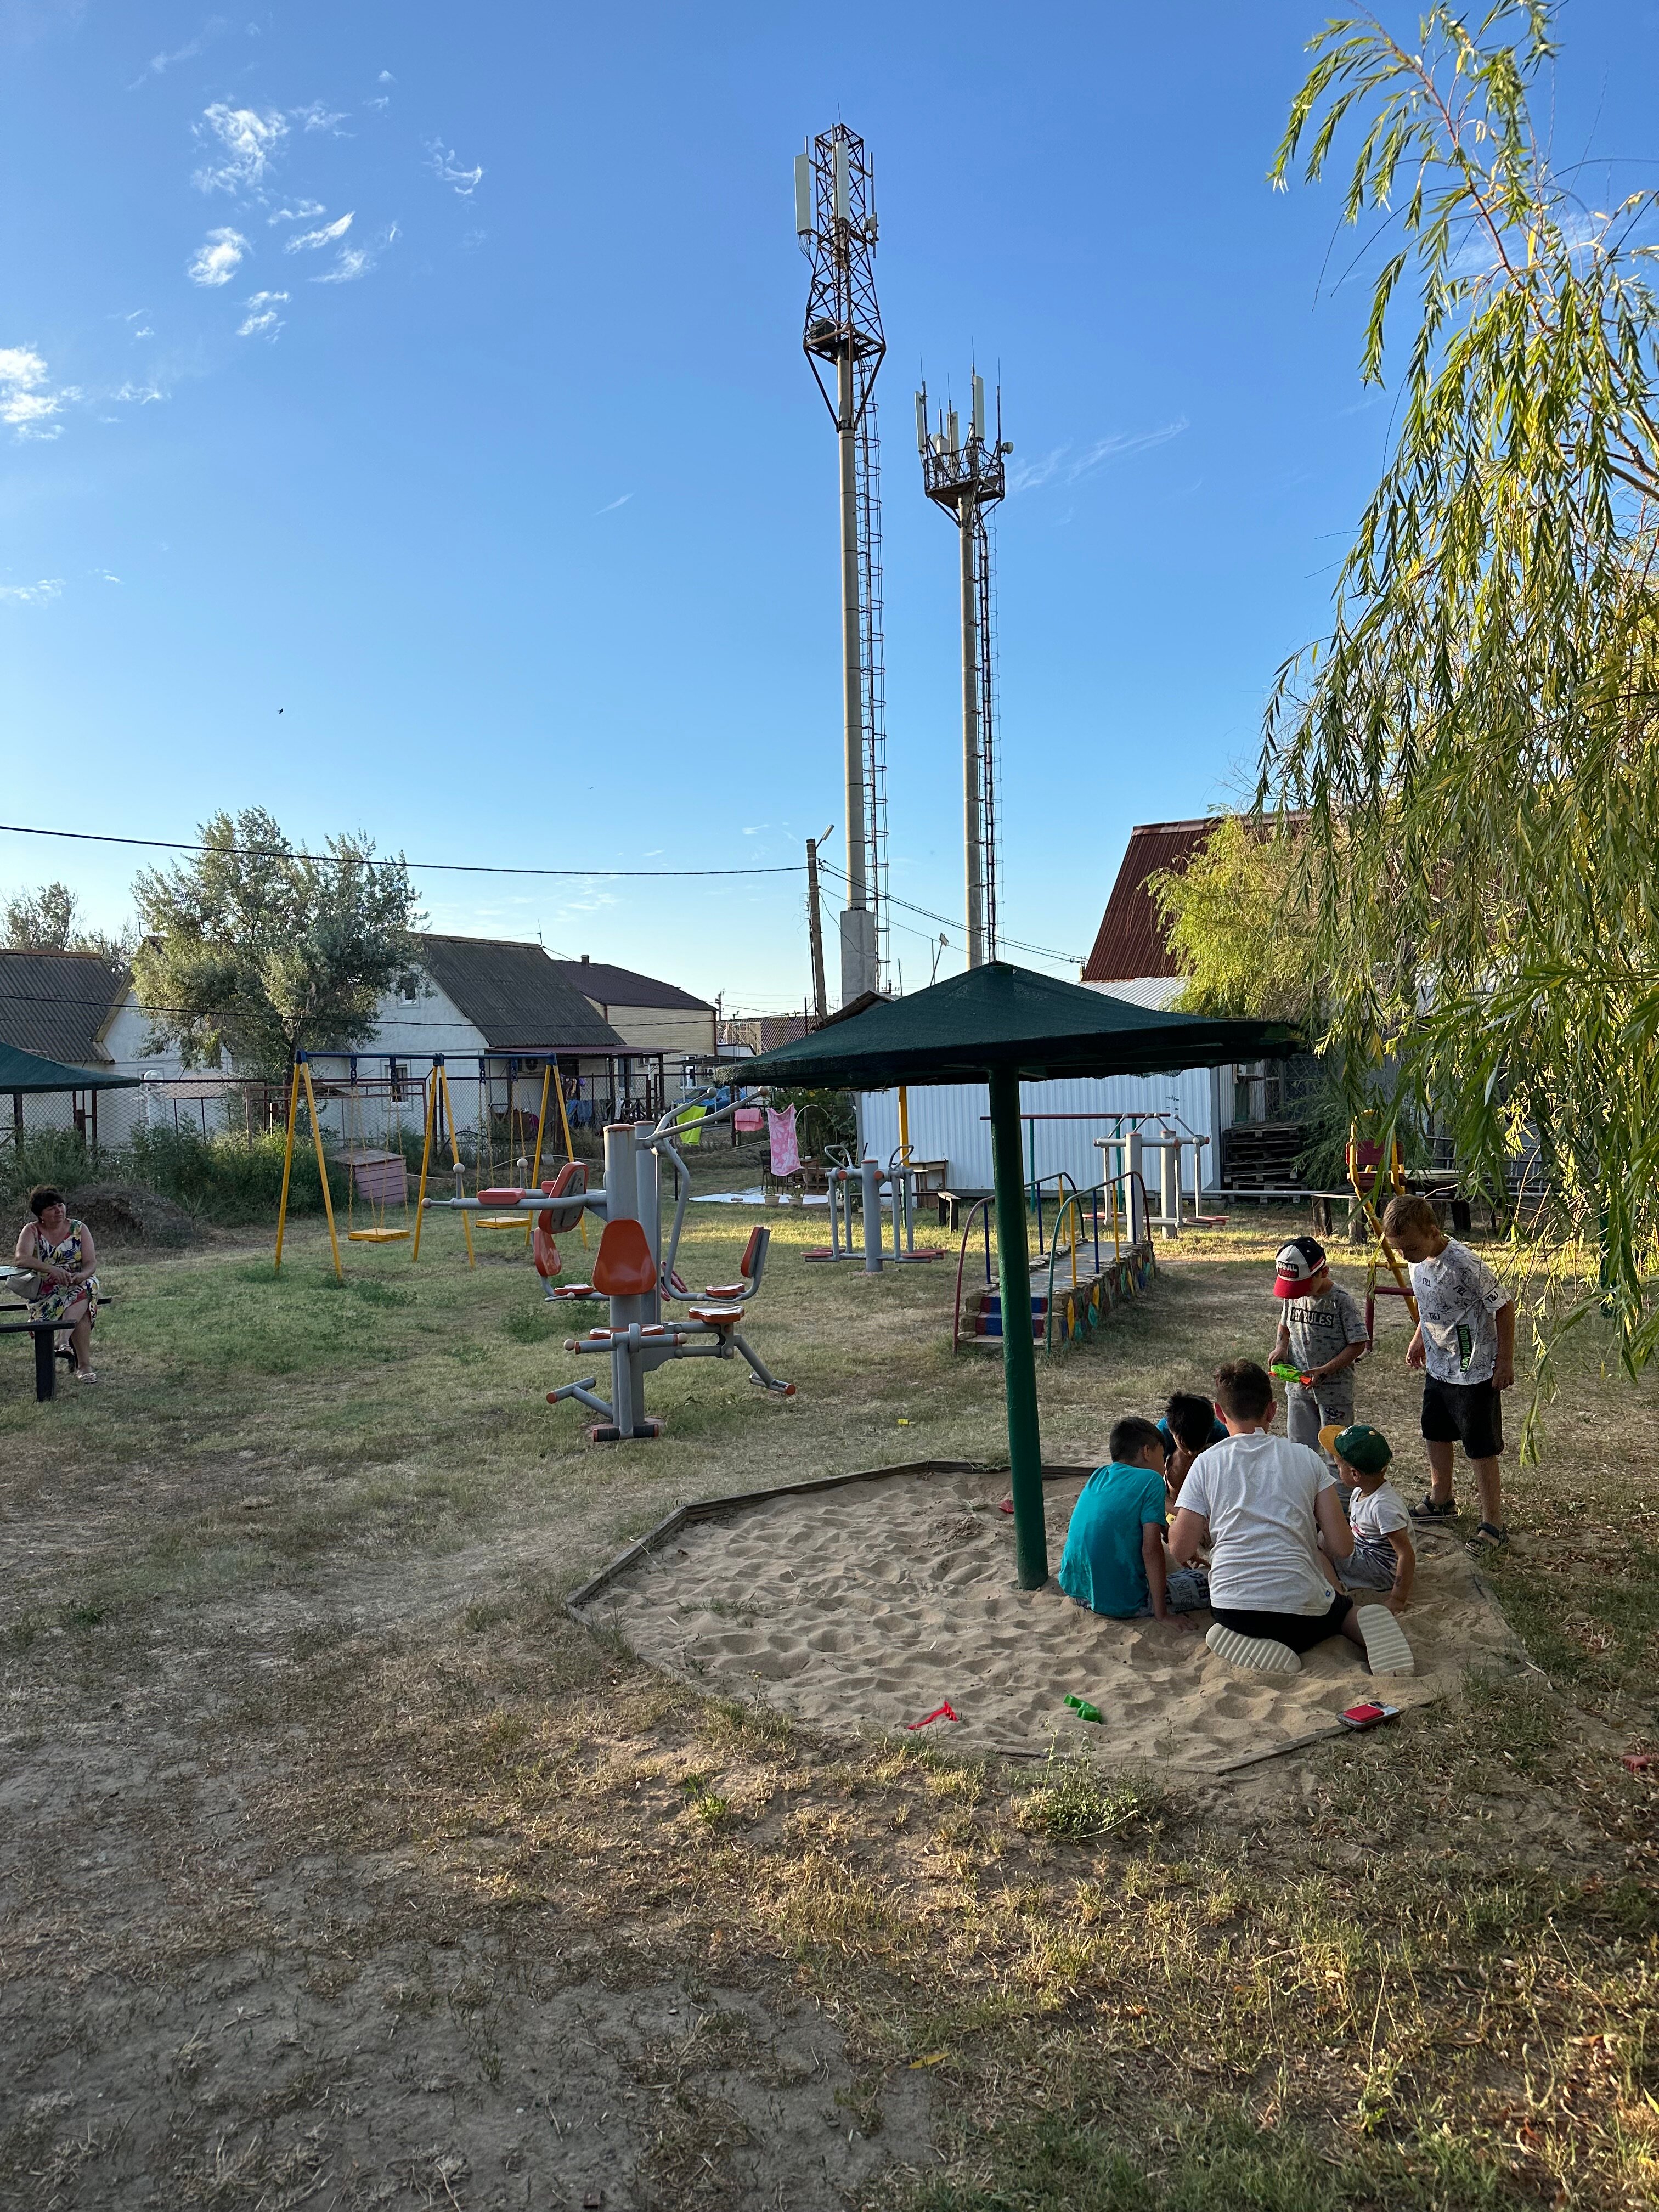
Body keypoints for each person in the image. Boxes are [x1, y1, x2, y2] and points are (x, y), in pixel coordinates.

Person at [1170, 1358, 1413, 1675]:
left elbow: (1180, 1549)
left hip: (1235, 1610)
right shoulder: (1306, 1458)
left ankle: (1252, 1641)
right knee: (1341, 1612)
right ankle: (1358, 1626)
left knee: (1230, 1618)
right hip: (1306, 1614)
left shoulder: (1206, 1463)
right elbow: (1343, 1548)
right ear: (1272, 1411)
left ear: (1219, 1413)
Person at [1381, 1193, 1516, 1549]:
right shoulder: (1416, 1260)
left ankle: (1494, 1523)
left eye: (1410, 1247)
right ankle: (1442, 1499)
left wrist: (1504, 1361)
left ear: (1432, 1231)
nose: (1404, 1256)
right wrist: (1419, 1339)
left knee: (1479, 1446)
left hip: (1474, 1371)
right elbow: (1430, 1304)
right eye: (1398, 1249)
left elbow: (1504, 1307)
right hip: (1439, 1367)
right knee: (1435, 1431)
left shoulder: (1464, 1264)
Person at [1058, 1415, 1210, 1627]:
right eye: (1162, 1456)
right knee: (1211, 1582)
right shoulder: (1151, 1480)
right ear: (1147, 1452)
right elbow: (1151, 1550)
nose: (1164, 1466)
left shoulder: (1099, 1475)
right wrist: (1162, 1615)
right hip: (1123, 1601)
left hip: (1079, 1591)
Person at [1271, 1234, 1370, 1449]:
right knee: (1300, 1449)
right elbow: (1285, 1325)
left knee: (1337, 1450)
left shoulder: (1341, 1301)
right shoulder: (1293, 1296)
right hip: (1299, 1389)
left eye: (1303, 1287)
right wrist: (1281, 1347)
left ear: (1324, 1272)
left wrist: (1326, 1370)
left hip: (1334, 1392)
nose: (1297, 1294)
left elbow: (1358, 1344)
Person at [1323, 1425, 1415, 1611]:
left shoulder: (1383, 1507)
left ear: (1355, 1474)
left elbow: (1406, 1554)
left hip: (1380, 1571)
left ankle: (1337, 1591)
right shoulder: (1361, 1491)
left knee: (1321, 1545)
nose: (1337, 1469)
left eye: (1338, 1465)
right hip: (1366, 1551)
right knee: (1326, 1537)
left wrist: (1397, 1598)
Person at [13, 1186, 99, 1382]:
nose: (59, 1211)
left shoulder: (79, 1229)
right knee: (82, 1306)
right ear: (41, 1214)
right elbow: (21, 1258)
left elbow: (91, 1263)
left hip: (77, 1282)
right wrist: (52, 1270)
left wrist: (81, 1275)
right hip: (46, 1290)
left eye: (61, 1205)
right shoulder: (32, 1230)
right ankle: (83, 1366)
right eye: (52, 1208)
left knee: (86, 1287)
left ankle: (63, 1341)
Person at [1156, 1390, 1228, 1510]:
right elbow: (1150, 1487)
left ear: (1210, 1430)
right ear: (1171, 1430)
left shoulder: (1221, 1432)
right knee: (1182, 1457)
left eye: (1198, 1446)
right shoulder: (1159, 1437)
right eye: (1185, 1446)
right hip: (1175, 1492)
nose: (1192, 1453)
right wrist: (1180, 1513)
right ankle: (1178, 1499)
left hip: (1211, 1488)